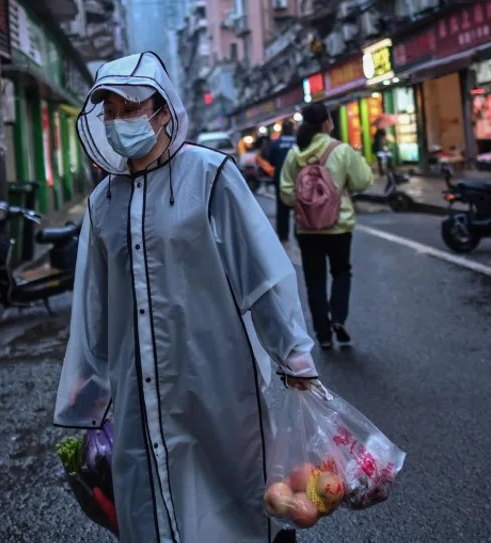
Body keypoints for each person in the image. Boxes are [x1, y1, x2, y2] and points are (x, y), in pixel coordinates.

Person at [54, 52, 318, 543]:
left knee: (228, 492)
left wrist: (293, 353)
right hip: (135, 386)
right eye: (109, 112)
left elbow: (259, 273)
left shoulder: (210, 177)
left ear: (161, 110)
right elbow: (94, 306)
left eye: (129, 109)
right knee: (146, 497)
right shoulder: (103, 203)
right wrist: (88, 386)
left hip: (215, 377)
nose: (118, 122)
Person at [280, 102, 373, 350]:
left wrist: (305, 205)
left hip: (306, 228)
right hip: (339, 225)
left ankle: (322, 334)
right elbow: (363, 181)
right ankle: (339, 319)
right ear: (326, 123)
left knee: (314, 279)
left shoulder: (294, 155)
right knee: (341, 271)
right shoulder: (341, 150)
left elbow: (286, 193)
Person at [268, 121, 298, 241]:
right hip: (298, 180)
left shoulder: (275, 144)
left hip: (280, 180)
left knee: (282, 209)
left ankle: (283, 235)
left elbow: (271, 162)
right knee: (299, 208)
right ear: (292, 129)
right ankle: (299, 233)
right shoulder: (298, 142)